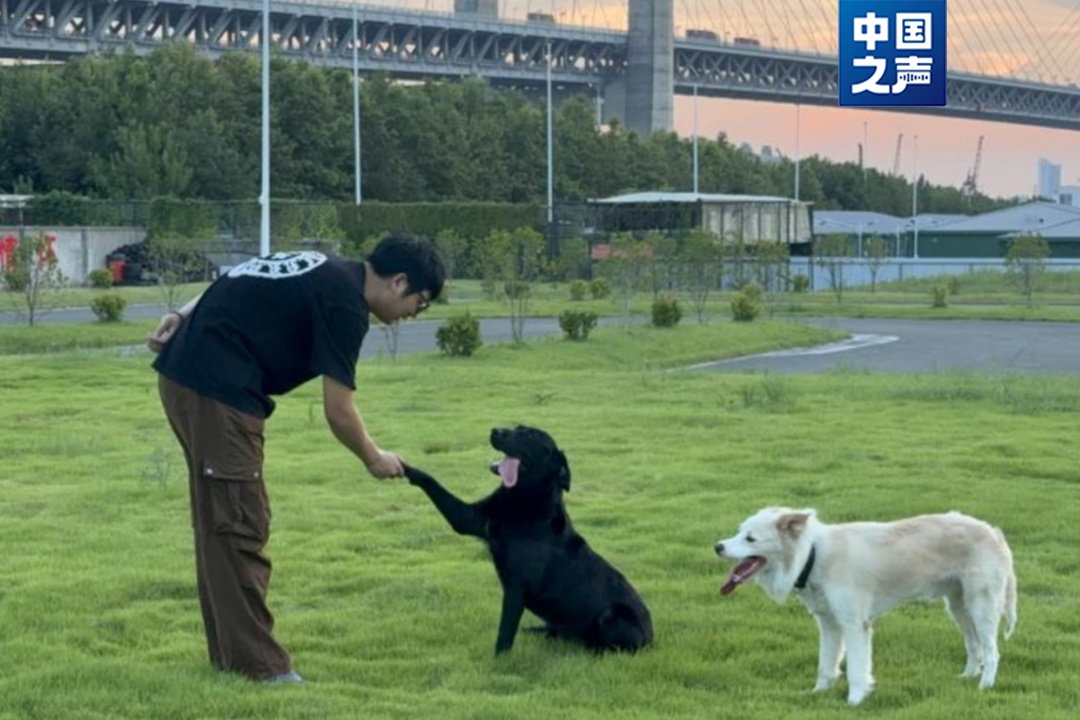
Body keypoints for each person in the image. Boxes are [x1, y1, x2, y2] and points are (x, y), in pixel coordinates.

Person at [148, 234, 446, 683]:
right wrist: (373, 458)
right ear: (399, 281)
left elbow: (238, 275)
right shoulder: (346, 303)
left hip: (189, 376)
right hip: (217, 390)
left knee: (220, 523)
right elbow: (338, 411)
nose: (410, 316)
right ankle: (262, 669)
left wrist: (179, 313)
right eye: (419, 304)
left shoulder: (324, 266)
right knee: (239, 523)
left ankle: (231, 659)